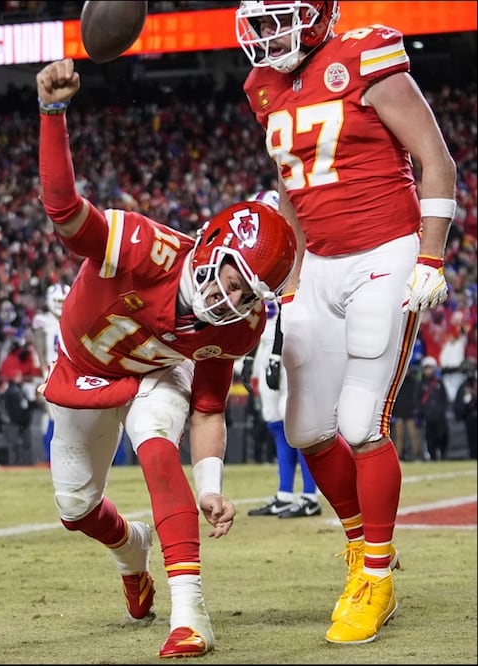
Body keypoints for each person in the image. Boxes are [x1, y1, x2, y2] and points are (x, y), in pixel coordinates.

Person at [36, 58, 299, 658]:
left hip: (154, 372)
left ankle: (190, 615)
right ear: (211, 246)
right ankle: (133, 550)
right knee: (75, 508)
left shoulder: (239, 328)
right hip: (82, 370)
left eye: (247, 296)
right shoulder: (144, 248)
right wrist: (52, 112)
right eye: (232, 279)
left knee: (157, 446)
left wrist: (211, 485)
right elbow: (65, 212)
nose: (231, 300)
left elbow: (209, 406)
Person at [236, 0, 457, 644]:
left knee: (361, 423)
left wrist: (430, 256)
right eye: (259, 19)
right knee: (306, 428)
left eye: (277, 16)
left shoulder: (364, 54)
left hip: (384, 253)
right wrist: (290, 273)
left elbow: (437, 160)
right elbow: (290, 185)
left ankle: (377, 580)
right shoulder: (263, 85)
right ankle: (363, 547)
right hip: (318, 264)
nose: (266, 32)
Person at [241, 191, 321, 519]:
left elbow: (290, 310)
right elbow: (254, 312)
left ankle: (310, 495)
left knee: (297, 421)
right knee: (275, 419)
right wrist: (250, 358)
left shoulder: (298, 256)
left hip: (292, 339)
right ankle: (286, 492)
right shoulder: (256, 260)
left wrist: (275, 355)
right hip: (265, 343)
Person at [33, 282, 69, 465]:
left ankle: (67, 457)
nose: (60, 305)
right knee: (53, 416)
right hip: (51, 372)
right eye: (57, 301)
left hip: (70, 373)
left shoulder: (73, 317)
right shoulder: (43, 320)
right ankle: (51, 458)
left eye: (63, 301)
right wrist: (42, 372)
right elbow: (39, 347)